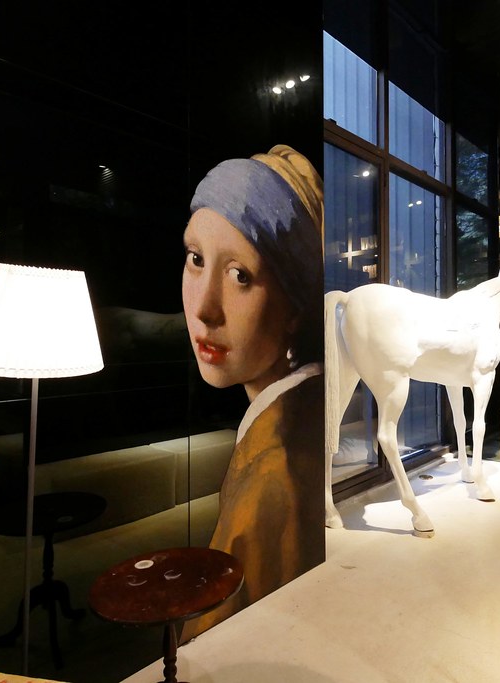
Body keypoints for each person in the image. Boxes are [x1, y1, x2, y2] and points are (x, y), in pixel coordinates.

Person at [181, 144, 325, 636]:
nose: (205, 308)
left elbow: (212, 646)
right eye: (196, 259)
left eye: (240, 275)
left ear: (295, 307)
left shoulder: (273, 476)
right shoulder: (303, 414)